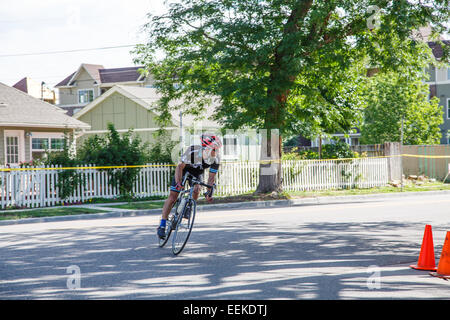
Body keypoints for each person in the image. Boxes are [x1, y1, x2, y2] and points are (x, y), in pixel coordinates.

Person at [157, 133, 222, 239]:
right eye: (214, 149)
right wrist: (178, 183)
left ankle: (188, 207)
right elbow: (179, 167)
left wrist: (209, 192)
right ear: (206, 148)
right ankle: (162, 225)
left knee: (197, 189)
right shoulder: (193, 151)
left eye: (217, 149)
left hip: (197, 173)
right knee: (173, 196)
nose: (216, 152)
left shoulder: (216, 159)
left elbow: (211, 179)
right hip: (183, 171)